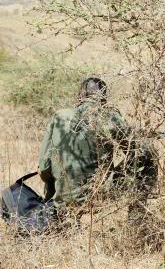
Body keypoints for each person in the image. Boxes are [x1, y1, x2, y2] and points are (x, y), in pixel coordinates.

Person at [38, 77, 157, 223]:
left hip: (61, 197)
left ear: (80, 96)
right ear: (104, 97)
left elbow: (44, 167)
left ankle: (58, 214)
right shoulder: (110, 117)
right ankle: (136, 221)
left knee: (52, 166)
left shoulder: (59, 116)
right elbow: (141, 152)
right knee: (148, 159)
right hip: (98, 193)